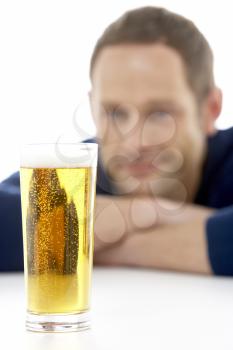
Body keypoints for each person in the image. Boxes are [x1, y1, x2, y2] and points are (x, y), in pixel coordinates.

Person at [1, 6, 233, 275]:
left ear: (211, 109)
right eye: (115, 113)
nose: (134, 143)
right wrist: (156, 216)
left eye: (160, 114)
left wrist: (77, 240)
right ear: (92, 109)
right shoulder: (84, 169)